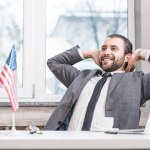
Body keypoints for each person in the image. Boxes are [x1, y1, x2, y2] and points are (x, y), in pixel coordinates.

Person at [43, 34, 150, 131]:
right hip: (69, 143)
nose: (106, 52)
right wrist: (89, 53)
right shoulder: (81, 77)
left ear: (127, 57)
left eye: (114, 48)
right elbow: (54, 63)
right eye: (103, 48)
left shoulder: (138, 81)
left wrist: (141, 53)